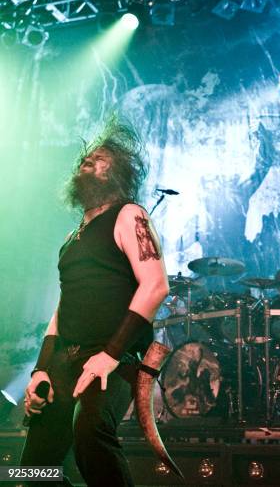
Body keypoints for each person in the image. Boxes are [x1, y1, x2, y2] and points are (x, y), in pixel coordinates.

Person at [20, 118, 169, 487]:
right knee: (31, 469)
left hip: (110, 359)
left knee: (89, 431)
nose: (88, 162)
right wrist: (41, 369)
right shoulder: (72, 238)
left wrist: (110, 354)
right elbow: (61, 309)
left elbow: (155, 285)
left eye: (100, 158)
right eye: (86, 158)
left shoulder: (129, 215)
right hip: (64, 362)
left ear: (118, 172)